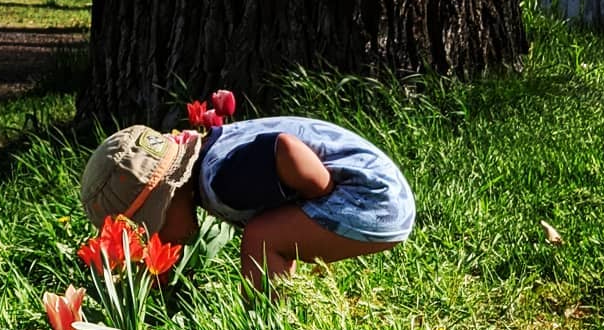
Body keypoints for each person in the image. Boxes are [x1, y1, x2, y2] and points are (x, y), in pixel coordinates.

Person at [80, 118, 415, 290]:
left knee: (262, 238)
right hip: (379, 187)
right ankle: (282, 309)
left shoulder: (223, 181)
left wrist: (320, 193)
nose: (158, 241)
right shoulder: (212, 148)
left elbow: (286, 149)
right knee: (271, 231)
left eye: (154, 228)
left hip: (371, 201)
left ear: (169, 195)